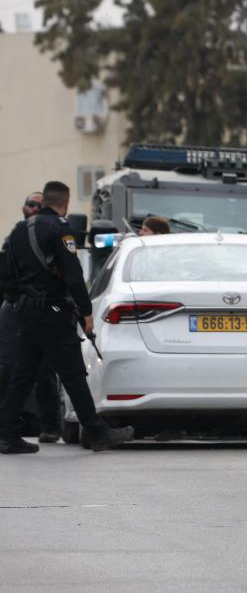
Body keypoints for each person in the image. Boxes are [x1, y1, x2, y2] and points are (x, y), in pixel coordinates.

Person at [0, 181, 134, 454]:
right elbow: (73, 275)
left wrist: (17, 300)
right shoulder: (61, 230)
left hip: (25, 312)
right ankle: (96, 432)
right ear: (65, 202)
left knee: (23, 374)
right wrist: (86, 311)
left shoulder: (17, 231)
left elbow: (5, 272)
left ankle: (7, 434)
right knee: (72, 372)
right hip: (53, 311)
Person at [0, 192, 64, 443]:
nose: (35, 208)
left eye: (40, 204)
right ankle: (8, 427)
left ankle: (51, 425)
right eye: (31, 204)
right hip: (16, 309)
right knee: (9, 368)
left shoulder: (53, 235)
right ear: (23, 207)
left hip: (48, 308)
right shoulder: (15, 236)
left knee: (46, 369)